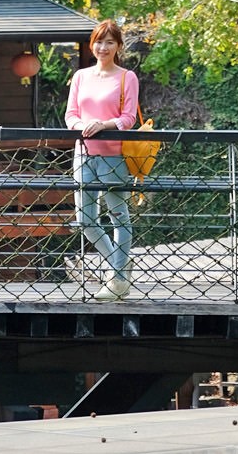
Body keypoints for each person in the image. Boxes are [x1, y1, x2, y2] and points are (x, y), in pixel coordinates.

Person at [65, 19, 138, 300]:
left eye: (109, 42)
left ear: (118, 46)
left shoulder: (126, 77)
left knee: (119, 216)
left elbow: (128, 118)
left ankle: (118, 280)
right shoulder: (81, 76)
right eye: (98, 41)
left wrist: (102, 124)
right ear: (91, 44)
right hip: (83, 154)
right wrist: (82, 126)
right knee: (85, 220)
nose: (103, 47)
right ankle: (119, 265)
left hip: (114, 156)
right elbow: (70, 114)